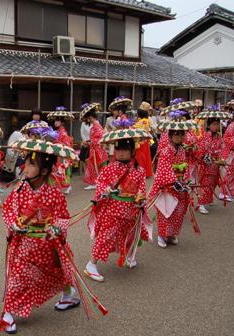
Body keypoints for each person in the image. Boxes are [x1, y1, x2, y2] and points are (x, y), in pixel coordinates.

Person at [0, 137, 106, 334]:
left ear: (44, 171)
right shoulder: (19, 189)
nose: (25, 167)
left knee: (56, 273)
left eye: (31, 164)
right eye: (26, 162)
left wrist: (56, 228)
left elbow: (63, 217)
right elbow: (8, 211)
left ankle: (70, 294)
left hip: (47, 245)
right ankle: (8, 312)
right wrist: (13, 224)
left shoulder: (55, 194)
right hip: (24, 246)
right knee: (18, 278)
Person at [84, 122, 151, 282]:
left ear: (132, 151)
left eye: (125, 150)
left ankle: (129, 256)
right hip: (113, 210)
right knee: (106, 236)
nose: (121, 153)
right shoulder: (110, 168)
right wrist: (106, 190)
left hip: (131, 210)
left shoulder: (139, 170)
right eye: (118, 150)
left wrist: (141, 198)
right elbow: (101, 183)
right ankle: (91, 264)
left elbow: (142, 189)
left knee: (130, 235)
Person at [150, 110, 199, 248]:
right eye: (176, 134)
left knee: (178, 211)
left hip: (180, 185)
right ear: (170, 135)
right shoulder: (166, 151)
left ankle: (171, 234)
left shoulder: (182, 150)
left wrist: (186, 181)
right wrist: (174, 181)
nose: (179, 137)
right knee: (167, 211)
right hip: (168, 187)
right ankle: (161, 234)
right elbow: (163, 170)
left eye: (182, 134)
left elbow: (186, 167)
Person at [196, 113, 227, 214]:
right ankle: (201, 204)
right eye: (213, 124)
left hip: (216, 165)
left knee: (212, 184)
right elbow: (199, 150)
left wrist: (222, 158)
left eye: (217, 124)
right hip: (206, 164)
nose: (216, 126)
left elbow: (222, 149)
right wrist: (207, 158)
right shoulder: (205, 136)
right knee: (205, 184)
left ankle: (207, 200)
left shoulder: (219, 137)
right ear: (209, 125)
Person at [47, 107, 74, 194]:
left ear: (62, 122)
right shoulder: (57, 131)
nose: (55, 122)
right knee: (57, 171)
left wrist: (57, 142)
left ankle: (67, 186)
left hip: (62, 155)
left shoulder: (63, 133)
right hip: (58, 154)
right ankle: (59, 186)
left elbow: (67, 145)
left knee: (62, 171)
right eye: (55, 121)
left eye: (58, 121)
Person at [81, 106, 108, 190]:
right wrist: (89, 142)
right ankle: (96, 182)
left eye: (87, 118)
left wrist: (90, 142)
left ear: (90, 117)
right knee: (94, 166)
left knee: (94, 166)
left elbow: (100, 138)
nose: (87, 120)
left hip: (97, 150)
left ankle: (95, 183)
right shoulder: (95, 125)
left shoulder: (96, 126)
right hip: (95, 149)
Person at [134, 102, 154, 177]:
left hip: (141, 141)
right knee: (145, 157)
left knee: (141, 157)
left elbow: (140, 130)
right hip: (144, 141)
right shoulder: (145, 120)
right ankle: (145, 172)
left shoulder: (144, 121)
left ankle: (141, 173)